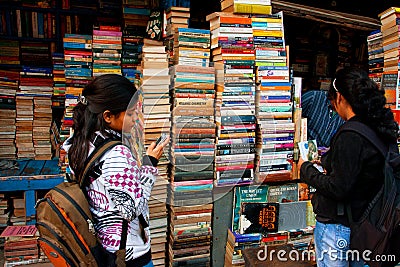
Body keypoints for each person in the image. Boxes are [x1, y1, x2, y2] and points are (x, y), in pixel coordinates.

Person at [63, 74, 168, 267]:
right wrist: (149, 164)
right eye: (130, 114)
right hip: (128, 253)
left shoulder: (78, 144)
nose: (136, 118)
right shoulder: (116, 153)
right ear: (108, 116)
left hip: (101, 245)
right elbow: (131, 208)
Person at [298, 67, 398, 267]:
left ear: (341, 97)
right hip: (367, 228)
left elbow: (339, 188)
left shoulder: (350, 134)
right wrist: (327, 160)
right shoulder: (378, 128)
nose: (334, 108)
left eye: (333, 102)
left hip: (339, 227)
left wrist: (305, 169)